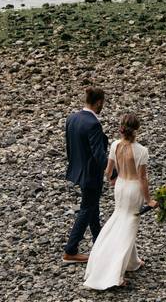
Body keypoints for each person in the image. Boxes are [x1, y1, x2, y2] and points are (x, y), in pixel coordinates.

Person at [83, 113, 156, 289]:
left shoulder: (115, 145)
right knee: (128, 228)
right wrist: (149, 200)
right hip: (133, 189)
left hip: (120, 186)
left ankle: (133, 262)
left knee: (119, 219)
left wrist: (114, 180)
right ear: (136, 129)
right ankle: (115, 274)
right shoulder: (141, 151)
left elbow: (108, 172)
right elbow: (143, 178)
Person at [62, 87, 109, 263]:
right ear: (98, 102)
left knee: (92, 208)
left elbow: (69, 146)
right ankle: (71, 249)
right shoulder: (93, 124)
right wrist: (114, 172)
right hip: (91, 175)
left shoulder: (72, 118)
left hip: (78, 170)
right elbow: (99, 154)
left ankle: (99, 244)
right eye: (102, 103)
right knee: (87, 209)